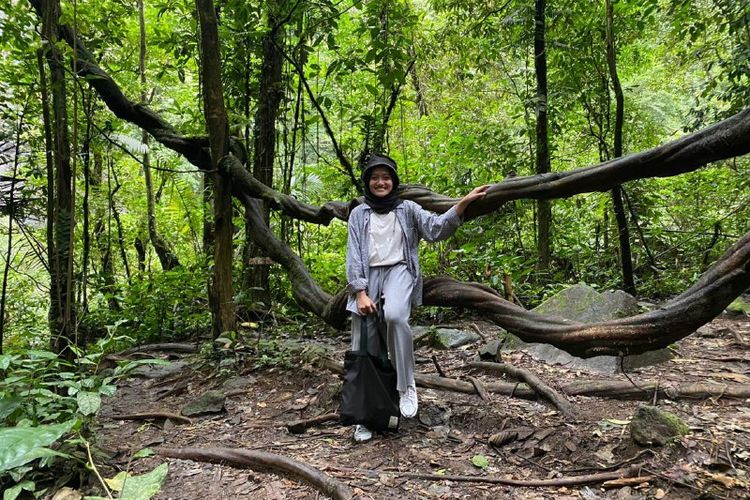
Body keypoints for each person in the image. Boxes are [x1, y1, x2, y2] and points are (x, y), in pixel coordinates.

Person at [346, 153, 489, 442]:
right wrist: (360, 292)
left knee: (396, 316)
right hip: (367, 277)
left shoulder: (408, 208)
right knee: (366, 346)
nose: (380, 182)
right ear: (367, 182)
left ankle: (406, 384)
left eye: (386, 177)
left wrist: (462, 203)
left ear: (394, 181)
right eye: (375, 177)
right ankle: (366, 418)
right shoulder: (359, 213)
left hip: (399, 271)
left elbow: (435, 229)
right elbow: (353, 254)